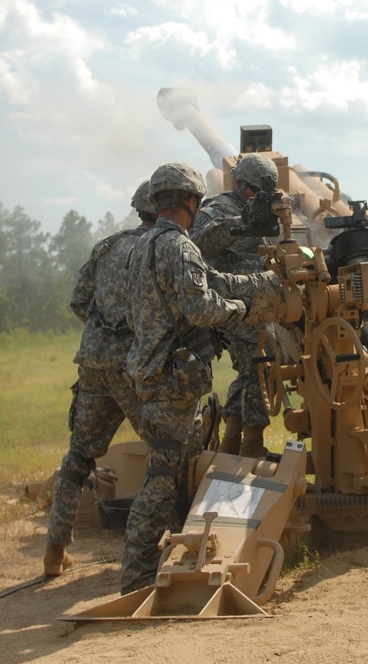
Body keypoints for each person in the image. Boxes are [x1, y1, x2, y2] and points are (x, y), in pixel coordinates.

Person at [119, 162, 276, 595]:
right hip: (172, 377)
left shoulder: (141, 247)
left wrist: (260, 282)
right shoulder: (180, 247)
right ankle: (134, 578)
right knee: (162, 476)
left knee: (173, 468)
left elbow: (206, 282)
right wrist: (243, 310)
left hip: (149, 369)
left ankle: (160, 562)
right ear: (190, 200)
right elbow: (201, 307)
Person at [43, 181, 157, 577]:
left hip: (93, 364)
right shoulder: (162, 249)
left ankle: (55, 552)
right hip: (134, 368)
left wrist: (102, 333)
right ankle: (156, 548)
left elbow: (79, 301)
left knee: (78, 458)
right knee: (170, 452)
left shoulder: (107, 247)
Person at [189, 153, 278, 458]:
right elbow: (195, 241)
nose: (258, 197)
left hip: (262, 301)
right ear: (240, 184)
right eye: (255, 190)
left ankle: (233, 440)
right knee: (266, 358)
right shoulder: (219, 208)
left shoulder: (268, 211)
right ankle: (251, 444)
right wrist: (238, 223)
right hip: (232, 302)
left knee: (251, 369)